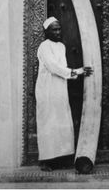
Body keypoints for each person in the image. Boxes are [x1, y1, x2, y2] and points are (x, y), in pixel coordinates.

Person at [35, 16, 93, 171]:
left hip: (60, 88)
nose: (58, 32)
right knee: (48, 123)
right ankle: (46, 160)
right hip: (47, 89)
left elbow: (62, 68)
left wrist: (74, 72)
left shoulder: (61, 46)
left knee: (61, 121)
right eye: (54, 29)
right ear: (47, 32)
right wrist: (76, 71)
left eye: (59, 29)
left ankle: (60, 158)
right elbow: (54, 67)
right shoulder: (44, 46)